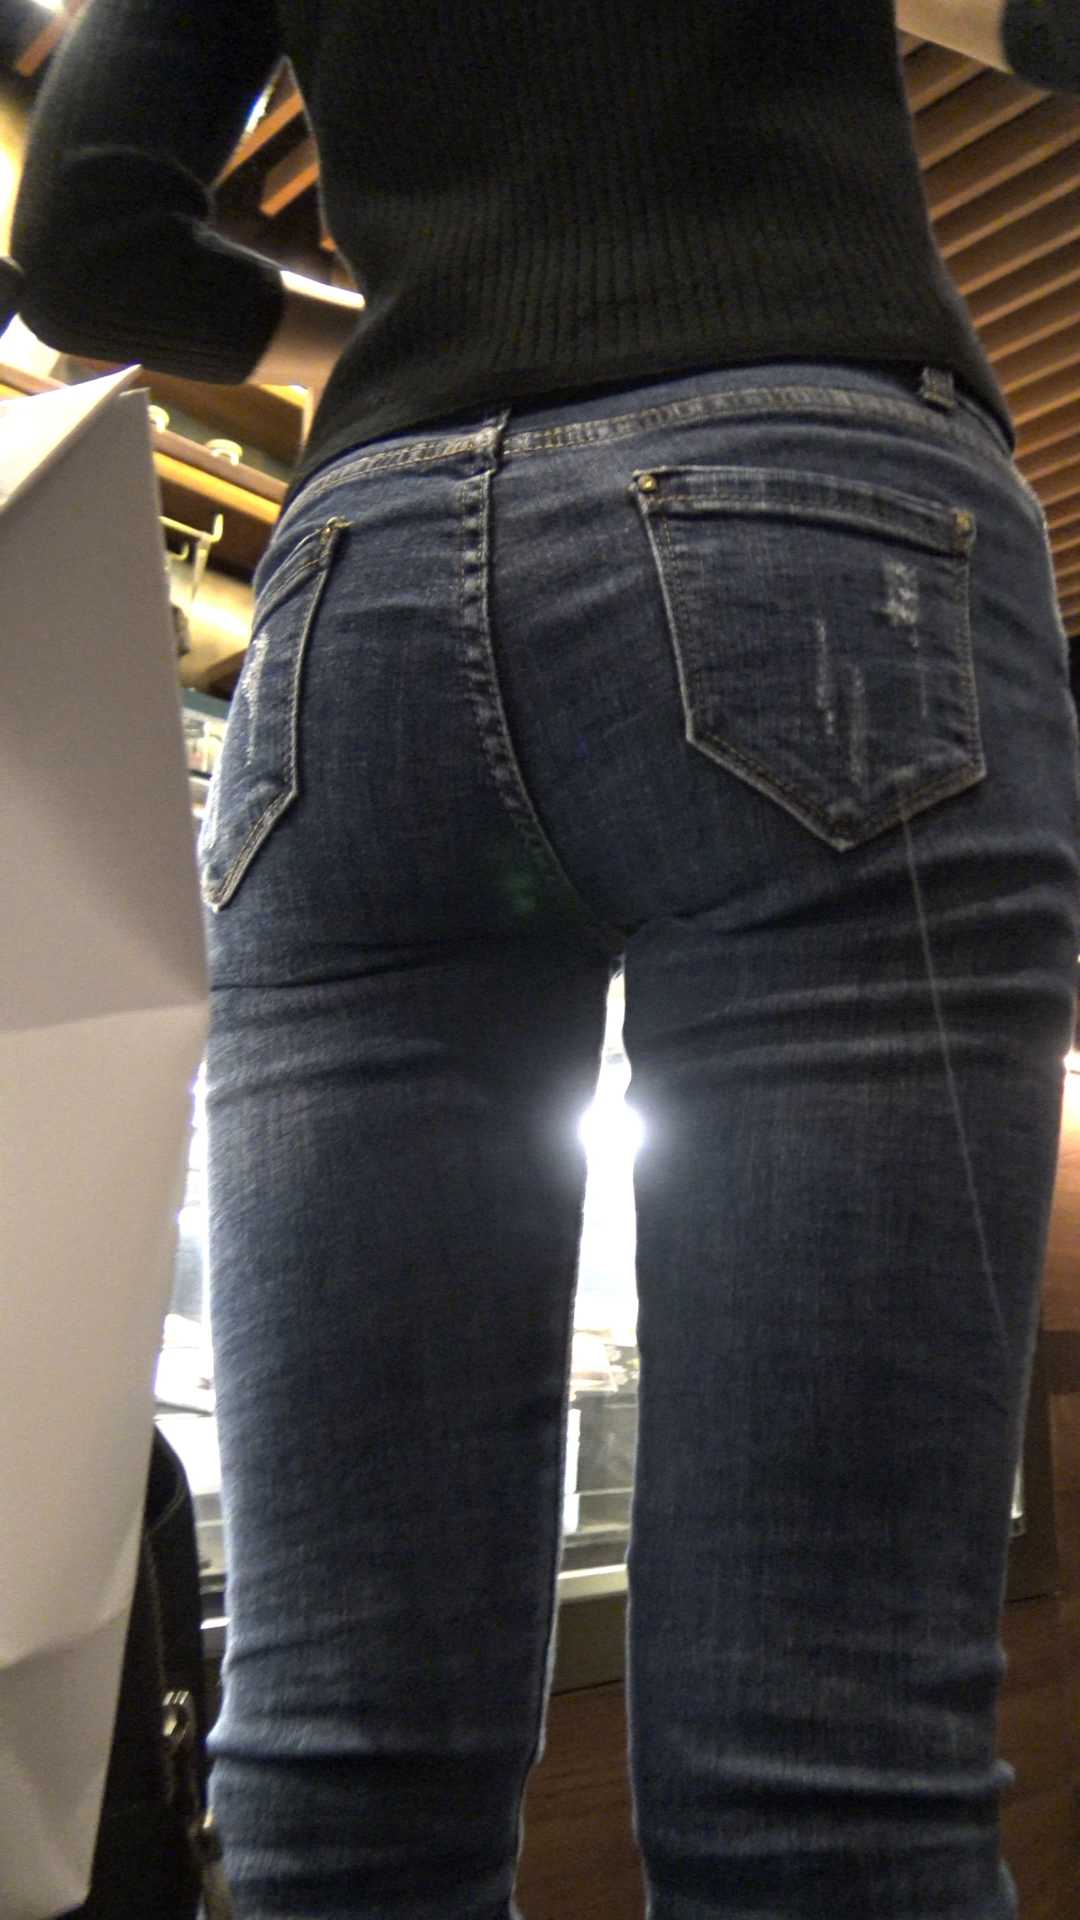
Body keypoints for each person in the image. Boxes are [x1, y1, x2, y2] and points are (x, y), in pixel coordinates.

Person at [12, 3, 1080, 1916]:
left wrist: (373, 344)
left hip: (359, 598)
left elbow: (84, 236)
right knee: (827, 1762)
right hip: (817, 514)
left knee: (338, 1759)